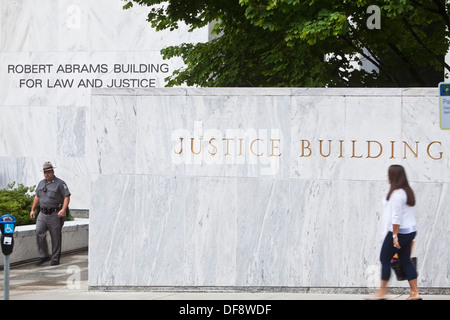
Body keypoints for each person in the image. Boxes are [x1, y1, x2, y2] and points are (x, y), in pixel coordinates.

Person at [369, 165, 421, 300]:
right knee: (405, 261)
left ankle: (382, 292)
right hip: (409, 231)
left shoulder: (398, 194)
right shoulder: (405, 191)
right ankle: (415, 293)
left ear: (394, 176)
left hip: (399, 232)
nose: (387, 176)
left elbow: (396, 217)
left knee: (384, 259)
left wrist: (394, 236)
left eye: (389, 174)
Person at [30, 161, 71, 266]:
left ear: (53, 171)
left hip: (55, 214)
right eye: (45, 172)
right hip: (42, 213)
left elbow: (67, 196)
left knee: (55, 237)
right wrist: (32, 209)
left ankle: (55, 258)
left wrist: (63, 209)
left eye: (48, 171)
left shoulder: (60, 183)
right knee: (39, 232)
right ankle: (43, 256)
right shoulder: (41, 183)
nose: (46, 174)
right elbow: (37, 197)